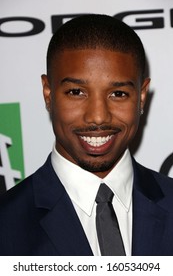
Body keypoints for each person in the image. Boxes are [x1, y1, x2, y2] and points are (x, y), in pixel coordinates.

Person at [0, 14, 173, 256]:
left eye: (118, 94)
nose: (98, 117)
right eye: (76, 92)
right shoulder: (6, 224)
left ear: (141, 96)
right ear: (48, 94)